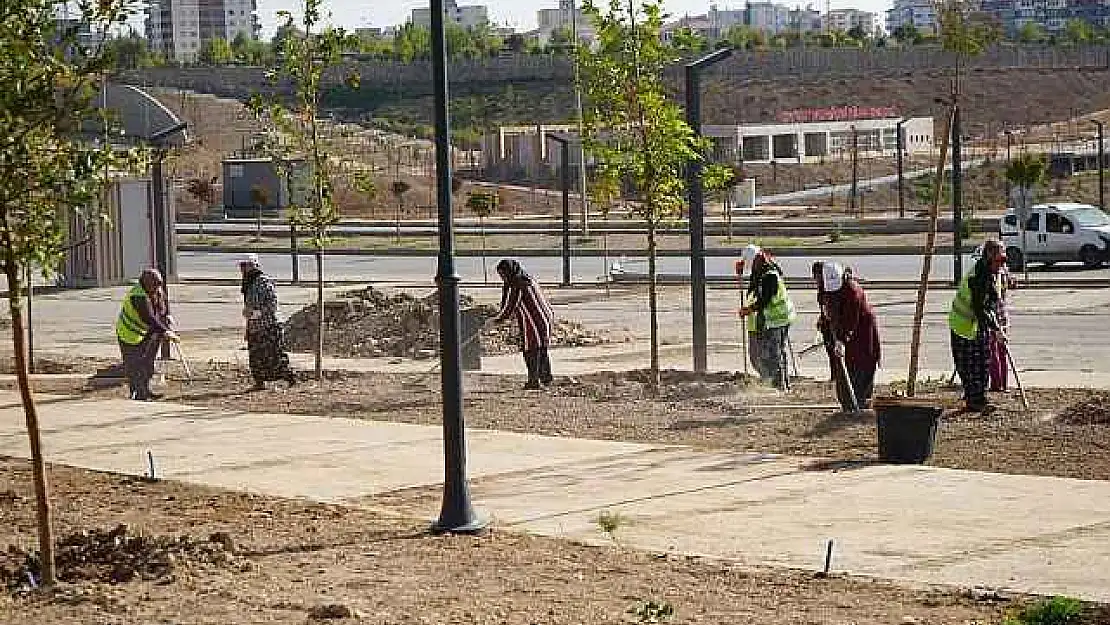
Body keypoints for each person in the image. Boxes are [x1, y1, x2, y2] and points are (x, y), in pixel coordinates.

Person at [949, 239, 1005, 412]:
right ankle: (975, 401)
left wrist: (996, 323)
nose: (1001, 265)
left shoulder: (990, 273)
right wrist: (996, 329)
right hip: (963, 327)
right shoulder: (978, 277)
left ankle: (978, 397)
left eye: (1004, 261)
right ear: (989, 257)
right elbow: (980, 308)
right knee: (971, 365)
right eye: (999, 260)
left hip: (975, 325)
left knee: (983, 362)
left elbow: (992, 300)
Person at [820, 261, 881, 411]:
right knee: (845, 365)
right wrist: (825, 320)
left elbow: (851, 319)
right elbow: (828, 307)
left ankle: (861, 402)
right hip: (843, 330)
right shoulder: (826, 288)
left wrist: (842, 339)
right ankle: (847, 403)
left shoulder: (853, 291)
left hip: (862, 331)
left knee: (861, 364)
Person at [736, 244, 796, 389]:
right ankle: (780, 383)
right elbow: (754, 288)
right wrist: (740, 273)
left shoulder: (770, 275)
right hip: (769, 320)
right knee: (774, 354)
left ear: (756, 260)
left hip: (777, 319)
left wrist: (749, 309)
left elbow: (765, 299)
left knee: (772, 356)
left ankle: (778, 386)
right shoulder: (761, 268)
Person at [116, 268, 178, 401]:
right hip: (129, 334)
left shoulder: (157, 290)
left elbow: (161, 307)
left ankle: (145, 390)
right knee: (135, 366)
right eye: (155, 284)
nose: (158, 288)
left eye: (159, 284)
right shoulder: (138, 296)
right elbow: (148, 318)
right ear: (146, 283)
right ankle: (138, 394)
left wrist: (167, 315)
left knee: (148, 363)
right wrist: (165, 331)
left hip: (148, 332)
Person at [492, 259, 555, 390]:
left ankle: (534, 382)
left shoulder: (517, 285)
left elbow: (509, 307)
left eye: (503, 275)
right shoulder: (525, 278)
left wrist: (495, 321)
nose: (502, 278)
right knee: (541, 348)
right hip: (545, 317)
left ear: (509, 272)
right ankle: (546, 378)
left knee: (530, 350)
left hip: (534, 320)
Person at [239, 254, 296, 391]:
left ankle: (289, 378)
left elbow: (272, 304)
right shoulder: (248, 283)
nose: (242, 269)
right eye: (242, 266)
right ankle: (259, 382)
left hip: (269, 326)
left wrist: (257, 313)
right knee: (255, 357)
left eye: (245, 266)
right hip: (255, 327)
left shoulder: (263, 282)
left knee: (274, 355)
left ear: (254, 266)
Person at [989, 259, 1016, 392]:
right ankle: (1003, 383)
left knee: (993, 350)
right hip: (1003, 314)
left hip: (995, 315)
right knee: (1001, 350)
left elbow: (996, 296)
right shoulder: (1004, 271)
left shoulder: (995, 274)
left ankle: (997, 383)